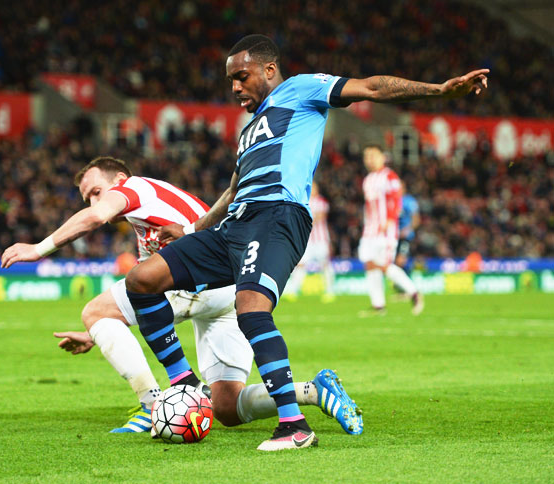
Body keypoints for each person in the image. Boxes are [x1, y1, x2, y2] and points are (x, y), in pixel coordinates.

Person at [124, 34, 489, 451]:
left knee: (251, 310)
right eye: (230, 81)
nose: (235, 88)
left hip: (277, 216)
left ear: (269, 70)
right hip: (232, 227)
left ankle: (294, 426)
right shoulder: (249, 132)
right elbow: (234, 188)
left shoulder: (300, 89)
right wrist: (192, 232)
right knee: (143, 279)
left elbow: (371, 87)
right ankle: (186, 384)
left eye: (241, 77)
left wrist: (440, 90)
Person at [0, 156, 358, 435]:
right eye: (87, 196)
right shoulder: (155, 209)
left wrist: (40, 247)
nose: (95, 201)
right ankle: (313, 391)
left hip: (200, 281)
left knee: (95, 311)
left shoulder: (135, 188)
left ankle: (153, 405)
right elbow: (149, 295)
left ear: (118, 182)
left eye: (96, 191)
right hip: (228, 290)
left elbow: (96, 219)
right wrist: (106, 331)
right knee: (227, 409)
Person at [358, 146, 423, 316]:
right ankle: (378, 305)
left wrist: (390, 219)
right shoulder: (368, 179)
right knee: (369, 264)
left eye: (373, 155)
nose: (369, 159)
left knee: (383, 264)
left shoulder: (389, 176)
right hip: (370, 230)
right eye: (366, 156)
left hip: (386, 229)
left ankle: (413, 292)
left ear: (382, 157)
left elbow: (396, 199)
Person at [283, 181, 335, 302]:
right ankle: (294, 290)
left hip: (321, 240)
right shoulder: (303, 201)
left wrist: (305, 221)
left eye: (314, 187)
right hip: (307, 240)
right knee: (300, 264)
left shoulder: (321, 202)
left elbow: (320, 217)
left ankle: (330, 291)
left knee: (325, 265)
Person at [396, 182, 420, 271]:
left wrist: (407, 230)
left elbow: (416, 220)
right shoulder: (391, 201)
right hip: (393, 237)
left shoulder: (409, 201)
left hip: (405, 237)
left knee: (400, 260)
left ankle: (405, 282)